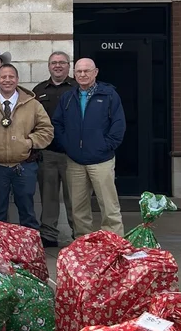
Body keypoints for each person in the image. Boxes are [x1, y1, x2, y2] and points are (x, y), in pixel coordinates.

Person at [53, 57, 127, 237]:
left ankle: (114, 243)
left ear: (96, 72)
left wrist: (106, 146)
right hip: (75, 161)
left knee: (109, 206)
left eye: (87, 71)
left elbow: (118, 124)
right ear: (74, 74)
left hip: (101, 160)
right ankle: (82, 245)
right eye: (79, 71)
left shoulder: (109, 95)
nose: (83, 74)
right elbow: (57, 123)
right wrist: (68, 145)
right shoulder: (68, 97)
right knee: (78, 208)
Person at [0, 63, 52, 231]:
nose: (7, 80)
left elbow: (47, 130)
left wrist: (29, 142)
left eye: (11, 77)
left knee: (27, 210)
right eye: (3, 77)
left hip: (24, 166)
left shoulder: (32, 104)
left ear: (17, 79)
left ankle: (30, 251)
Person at [32, 51, 77, 248]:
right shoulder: (39, 90)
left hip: (73, 155)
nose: (57, 66)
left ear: (69, 66)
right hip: (47, 153)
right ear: (48, 66)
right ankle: (49, 235)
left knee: (74, 198)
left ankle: (78, 234)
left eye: (62, 63)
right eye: (53, 63)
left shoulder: (78, 87)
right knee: (48, 197)